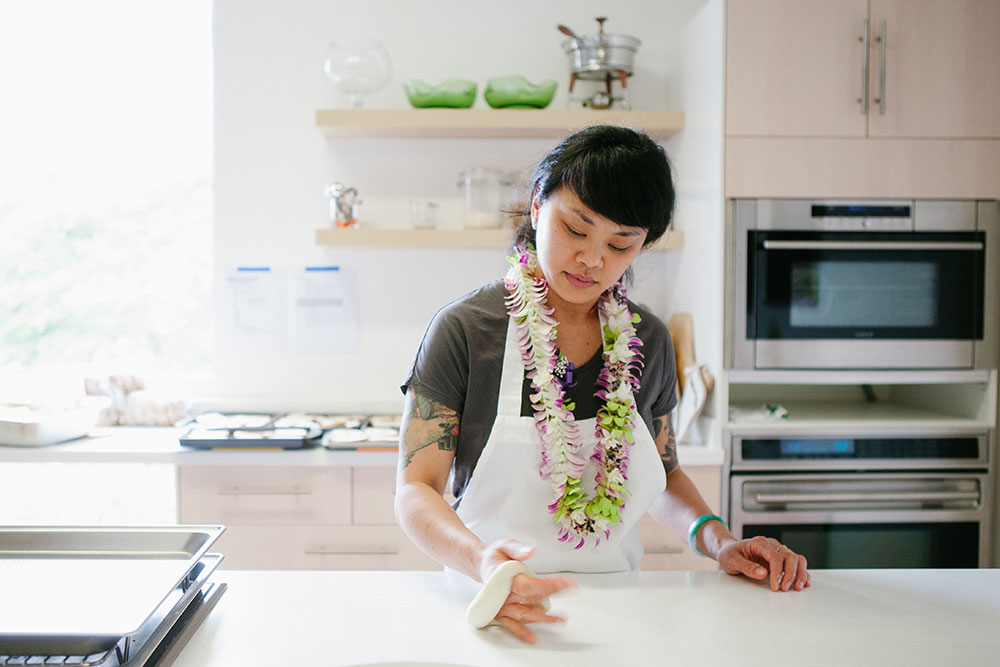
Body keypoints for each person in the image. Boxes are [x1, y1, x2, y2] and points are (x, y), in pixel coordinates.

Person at [395, 125, 809, 643]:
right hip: (490, 605)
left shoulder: (648, 341)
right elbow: (415, 489)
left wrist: (720, 543)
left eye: (620, 244)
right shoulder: (464, 332)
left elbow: (663, 474)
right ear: (537, 206)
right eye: (576, 229)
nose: (592, 260)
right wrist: (482, 562)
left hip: (621, 615)